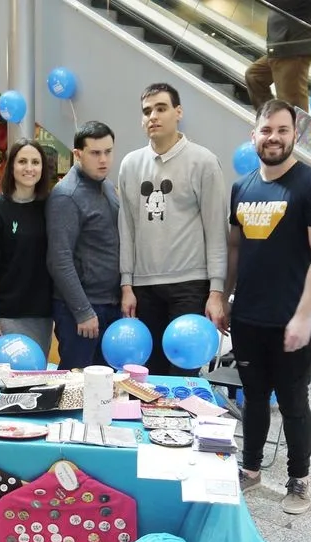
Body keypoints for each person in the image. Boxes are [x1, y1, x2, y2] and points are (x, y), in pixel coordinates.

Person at [226, 99, 311, 515]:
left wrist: (304, 315)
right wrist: (223, 295)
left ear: (294, 135)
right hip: (248, 317)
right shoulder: (242, 188)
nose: (273, 137)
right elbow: (235, 249)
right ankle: (251, 469)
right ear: (253, 135)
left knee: (293, 402)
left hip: (293, 319)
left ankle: (298, 481)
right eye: (266, 130)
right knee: (253, 398)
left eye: (282, 130)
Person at [118, 83, 228, 376]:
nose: (153, 116)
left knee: (182, 375)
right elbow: (126, 228)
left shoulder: (204, 162)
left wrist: (216, 291)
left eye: (161, 108)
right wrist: (126, 285)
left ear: (178, 112)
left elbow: (217, 229)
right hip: (143, 286)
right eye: (146, 111)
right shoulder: (130, 165)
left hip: (190, 284)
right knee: (146, 375)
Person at [46, 121, 121, 370]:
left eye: (108, 152)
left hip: (110, 304)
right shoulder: (66, 195)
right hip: (81, 309)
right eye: (95, 153)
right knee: (77, 386)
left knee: (107, 387)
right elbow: (59, 259)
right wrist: (83, 311)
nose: (103, 160)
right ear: (78, 154)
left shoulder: (108, 187)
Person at [0, 139, 55, 359]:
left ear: (43, 168)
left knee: (36, 378)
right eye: (22, 161)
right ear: (11, 166)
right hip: (5, 314)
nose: (29, 168)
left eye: (35, 162)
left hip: (40, 314)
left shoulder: (51, 206)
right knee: (4, 382)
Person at [245, 1, 311, 112]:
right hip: (282, 46)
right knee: (255, 76)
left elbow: (284, 3)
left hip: (293, 46)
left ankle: (290, 126)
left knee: (291, 103)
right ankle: (272, 118)